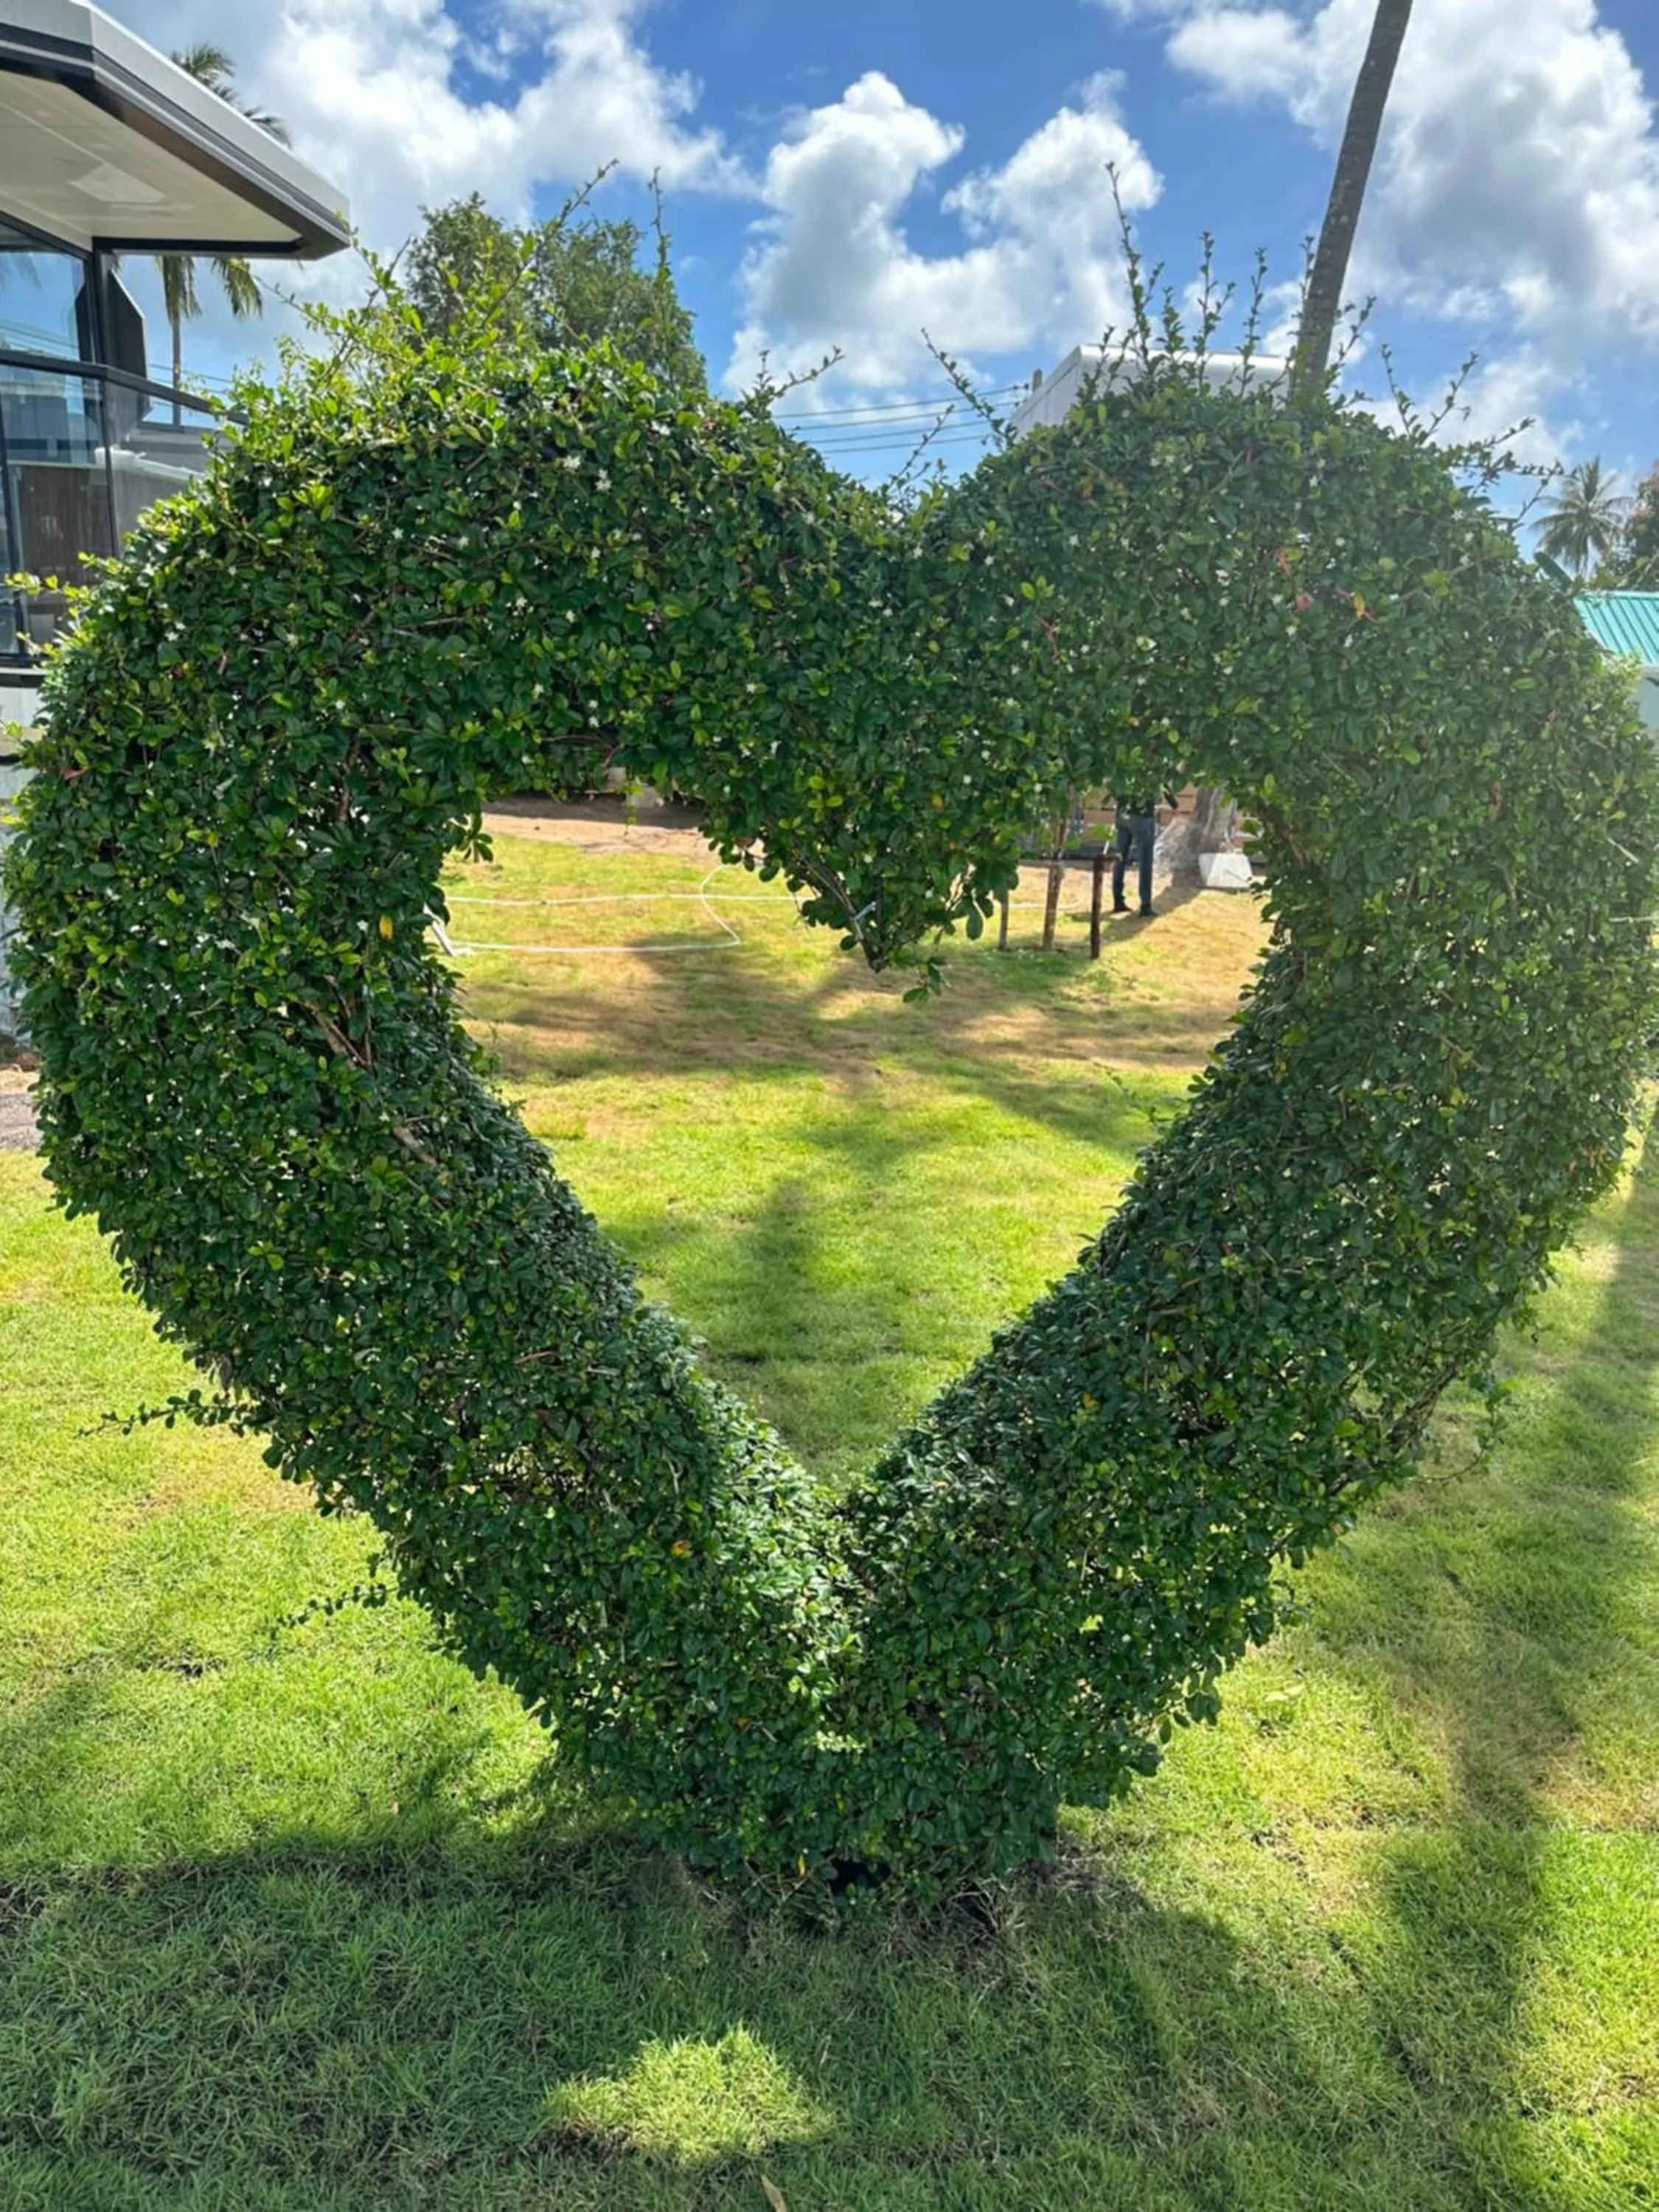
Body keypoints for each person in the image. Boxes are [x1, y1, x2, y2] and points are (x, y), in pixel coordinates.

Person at [1111, 789, 1177, 918]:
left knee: (1120, 858)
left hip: (1123, 813)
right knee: (1145, 861)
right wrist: (1174, 804)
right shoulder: (1153, 769)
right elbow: (1162, 783)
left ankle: (1118, 900)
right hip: (1143, 816)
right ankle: (1145, 905)